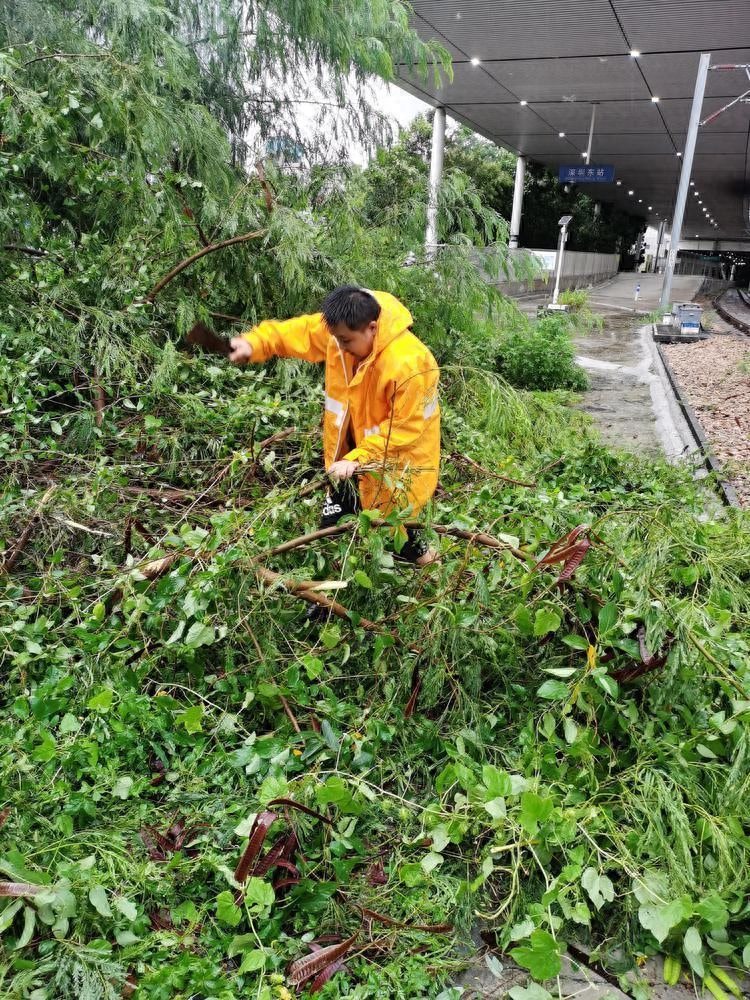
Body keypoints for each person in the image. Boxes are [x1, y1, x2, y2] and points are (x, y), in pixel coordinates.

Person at [229, 285, 440, 565]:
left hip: (394, 467)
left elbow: (405, 429)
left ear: (373, 328)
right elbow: (299, 332)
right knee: (331, 537)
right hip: (348, 464)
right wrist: (254, 343)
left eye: (346, 341)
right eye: (336, 339)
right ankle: (325, 598)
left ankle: (428, 569)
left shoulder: (409, 363)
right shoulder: (342, 330)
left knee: (397, 529)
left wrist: (358, 459)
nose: (338, 347)